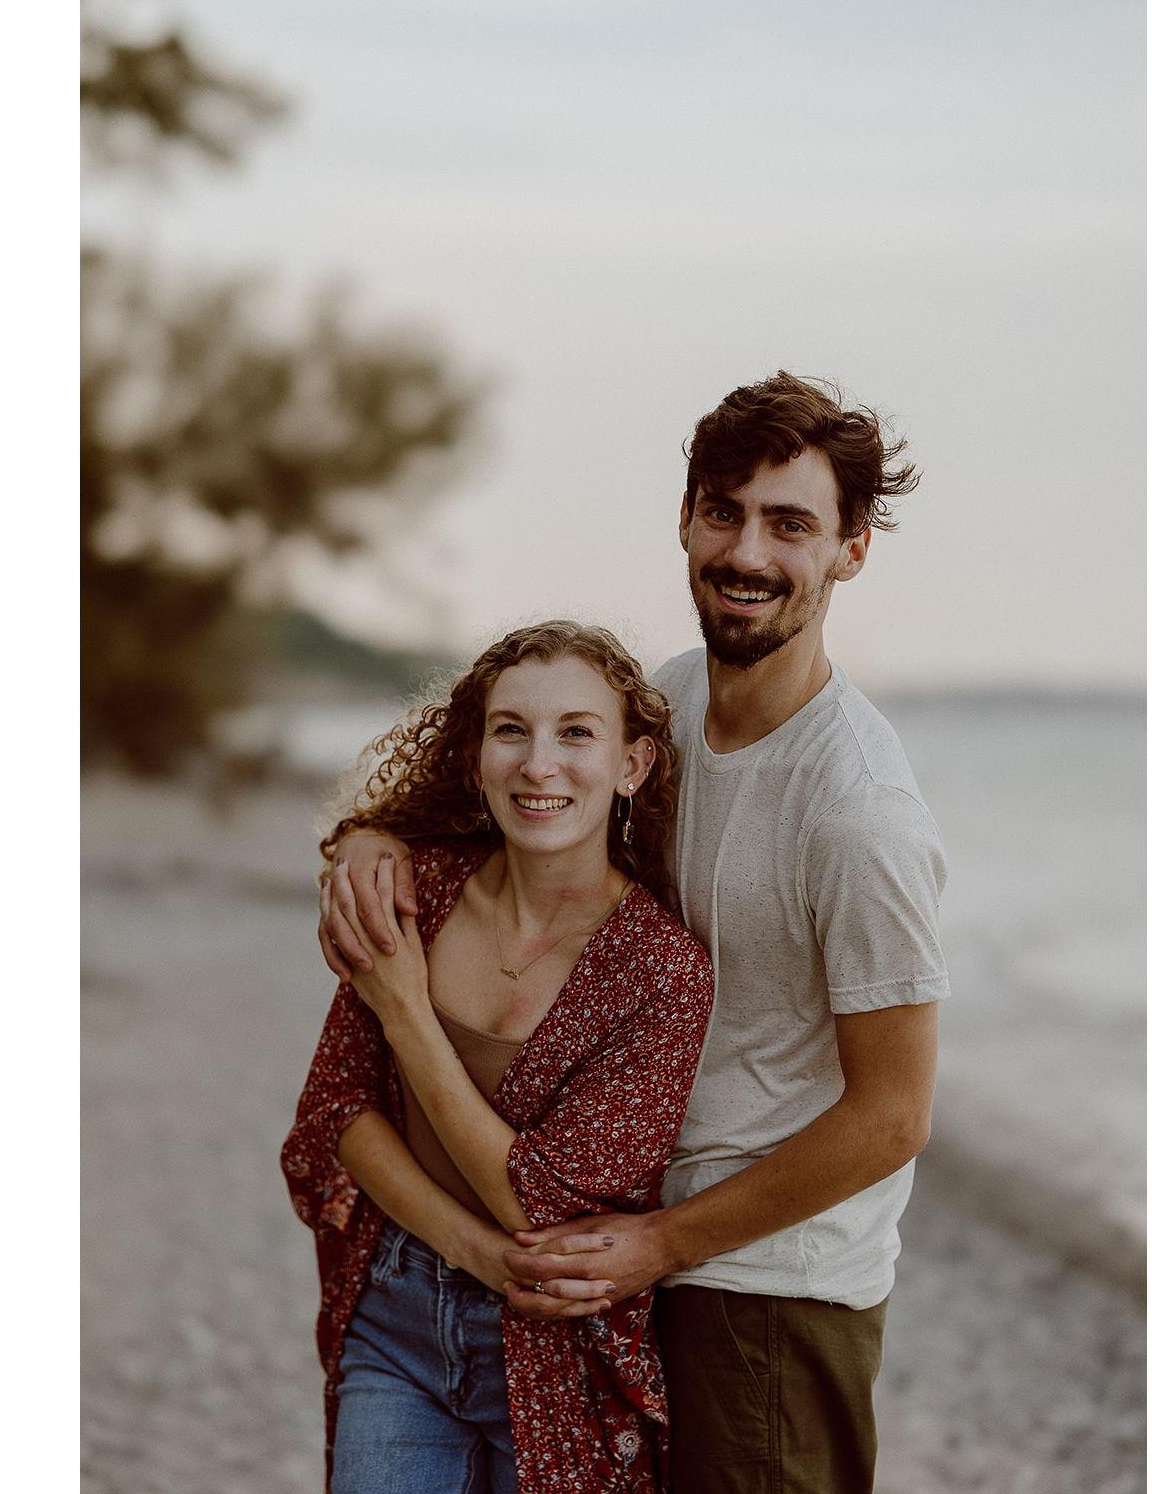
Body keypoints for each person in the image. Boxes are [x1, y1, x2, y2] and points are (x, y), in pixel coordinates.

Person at [322, 373, 950, 1494]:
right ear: (686, 520)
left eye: (790, 524)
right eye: (723, 511)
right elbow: (517, 809)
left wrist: (666, 1242)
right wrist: (370, 837)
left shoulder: (858, 812)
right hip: (630, 1251)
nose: (747, 551)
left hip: (769, 1289)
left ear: (850, 549)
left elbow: (894, 1114)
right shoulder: (673, 702)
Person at [283, 621, 714, 1494]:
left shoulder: (661, 971)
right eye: (511, 729)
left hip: (559, 1354)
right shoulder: (421, 891)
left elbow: (539, 1201)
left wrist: (407, 1013)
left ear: (632, 766)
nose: (539, 764)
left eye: (576, 733)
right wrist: (474, 1252)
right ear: (476, 756)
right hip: (395, 1319)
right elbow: (339, 1108)